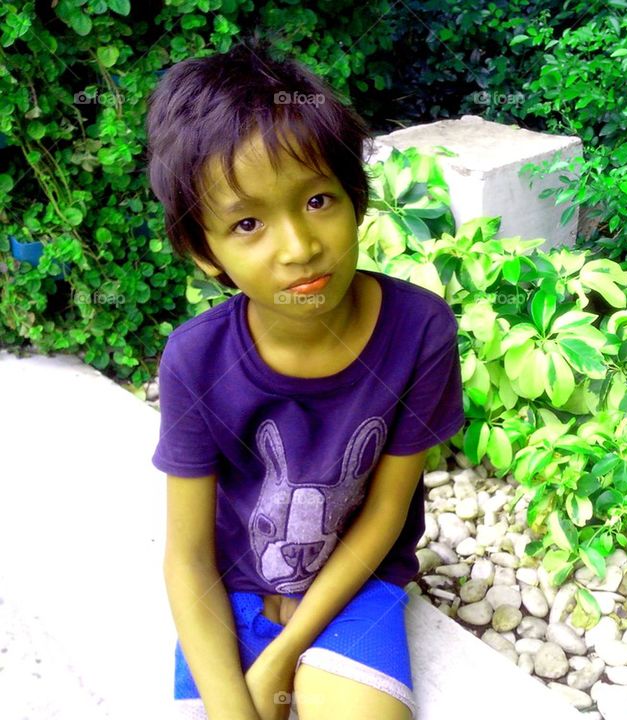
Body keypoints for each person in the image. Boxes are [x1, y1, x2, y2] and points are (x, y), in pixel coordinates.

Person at [146, 36, 465, 720]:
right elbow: (187, 559)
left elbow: (384, 515)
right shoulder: (195, 359)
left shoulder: (420, 331)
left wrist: (285, 654)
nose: (298, 247)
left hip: (357, 586)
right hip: (228, 590)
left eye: (318, 200)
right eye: (249, 222)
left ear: (355, 196)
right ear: (204, 252)